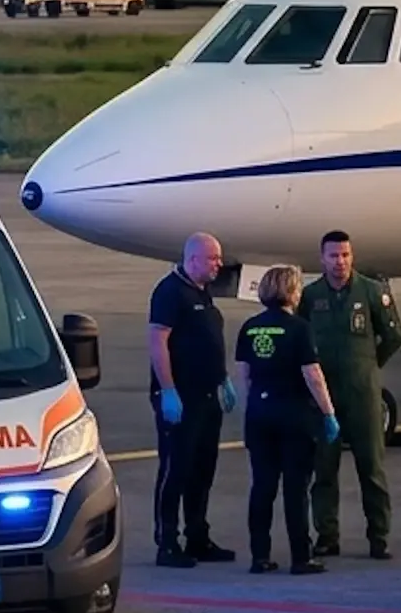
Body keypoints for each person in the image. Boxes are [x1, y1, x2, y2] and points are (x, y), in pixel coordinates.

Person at [298, 230, 401, 560]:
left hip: (363, 394)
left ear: (352, 256)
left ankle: (379, 536)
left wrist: (369, 366)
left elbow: (394, 336)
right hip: (324, 397)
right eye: (333, 256)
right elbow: (300, 340)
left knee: (371, 469)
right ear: (321, 258)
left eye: (345, 255)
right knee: (324, 470)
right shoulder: (309, 295)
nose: (340, 262)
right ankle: (327, 535)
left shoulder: (372, 292)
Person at [235, 266, 341, 576]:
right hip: (293, 416)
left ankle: (260, 555)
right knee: (295, 489)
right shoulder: (299, 328)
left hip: (259, 415)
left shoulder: (250, 327)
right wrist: (328, 413)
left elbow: (245, 374)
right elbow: (312, 375)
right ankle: (300, 556)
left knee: (262, 487)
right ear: (291, 292)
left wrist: (254, 406)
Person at [148, 232, 240, 567]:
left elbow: (208, 341)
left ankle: (197, 535)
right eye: (213, 258)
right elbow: (158, 340)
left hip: (206, 396)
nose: (219, 264)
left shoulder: (202, 291)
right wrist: (168, 389)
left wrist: (223, 378)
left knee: (203, 469)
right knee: (177, 468)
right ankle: (167, 540)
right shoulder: (170, 292)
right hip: (181, 396)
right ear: (193, 259)